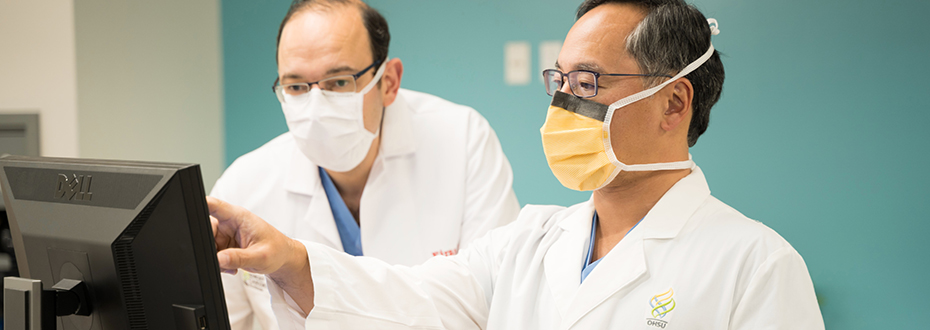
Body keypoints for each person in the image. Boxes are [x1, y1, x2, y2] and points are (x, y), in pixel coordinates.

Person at [209, 0, 826, 329]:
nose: (563, 102)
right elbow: (410, 300)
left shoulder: (756, 266)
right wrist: (291, 259)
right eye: (558, 80)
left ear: (673, 101)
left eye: (588, 81)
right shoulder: (528, 242)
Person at [210, 0, 520, 328]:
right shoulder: (243, 185)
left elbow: (496, 301)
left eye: (339, 81)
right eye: (296, 86)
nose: (315, 107)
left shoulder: (463, 140)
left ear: (388, 81)